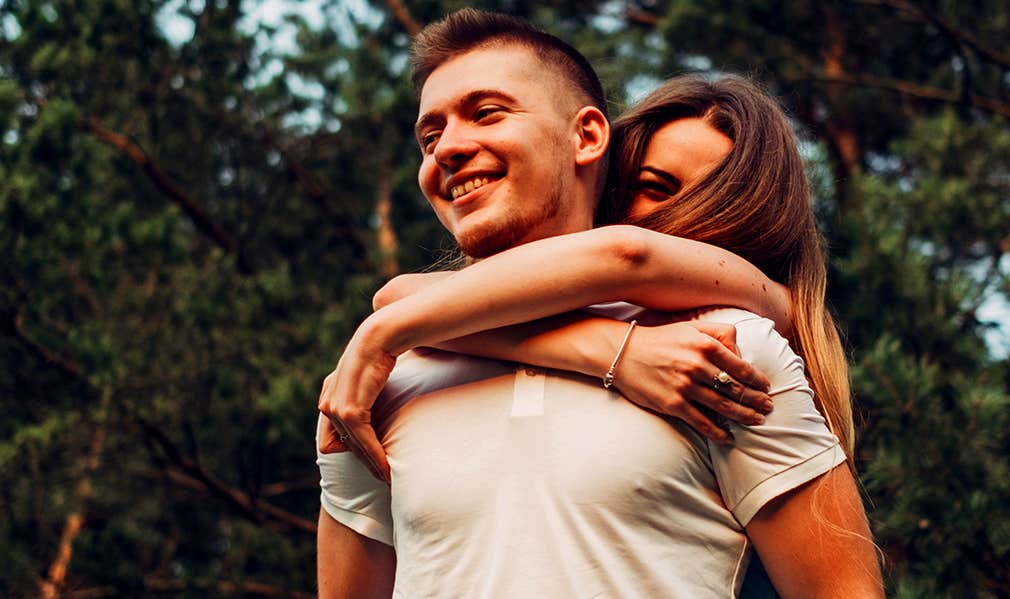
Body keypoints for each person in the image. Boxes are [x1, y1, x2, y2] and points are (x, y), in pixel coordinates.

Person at [317, 8, 882, 598]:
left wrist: (385, 332)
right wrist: (615, 350)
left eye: (487, 113)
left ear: (587, 137)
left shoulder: (723, 352)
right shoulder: (370, 385)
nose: (449, 148)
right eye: (429, 137)